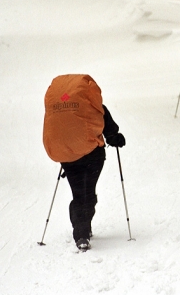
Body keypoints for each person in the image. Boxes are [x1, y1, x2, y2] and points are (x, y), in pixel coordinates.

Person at [43, 74, 125, 252]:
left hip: (68, 158)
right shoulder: (95, 107)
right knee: (88, 194)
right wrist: (116, 138)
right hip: (92, 157)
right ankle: (82, 233)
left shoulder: (61, 110)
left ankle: (82, 230)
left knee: (79, 194)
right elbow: (109, 130)